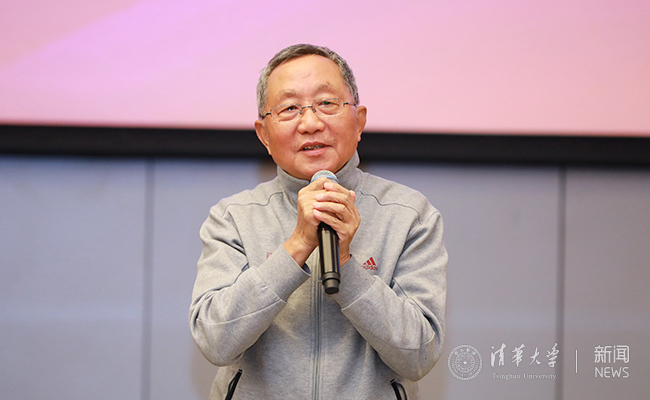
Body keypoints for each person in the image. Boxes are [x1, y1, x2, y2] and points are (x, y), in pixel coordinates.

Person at [190, 44, 447, 400]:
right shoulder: (233, 216)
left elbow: (419, 355)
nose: (310, 123)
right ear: (264, 134)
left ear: (359, 121)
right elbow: (215, 340)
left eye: (327, 103)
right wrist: (296, 246)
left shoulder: (409, 214)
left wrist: (345, 265)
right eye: (289, 108)